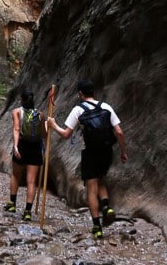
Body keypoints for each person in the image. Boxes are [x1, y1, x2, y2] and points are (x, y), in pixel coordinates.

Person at [47, 78, 129, 239]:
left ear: (80, 94)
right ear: (94, 92)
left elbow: (66, 134)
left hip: (90, 152)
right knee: (101, 178)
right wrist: (123, 152)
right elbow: (119, 132)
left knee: (91, 188)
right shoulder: (106, 106)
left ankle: (97, 227)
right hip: (107, 151)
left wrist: (53, 124)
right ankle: (106, 207)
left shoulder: (78, 110)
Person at [5, 89, 45, 221]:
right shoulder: (40, 114)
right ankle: (28, 211)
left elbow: (16, 128)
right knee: (31, 181)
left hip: (22, 145)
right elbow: (44, 134)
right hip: (35, 148)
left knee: (16, 175)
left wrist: (15, 146)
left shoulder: (16, 112)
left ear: (21, 100)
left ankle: (12, 204)